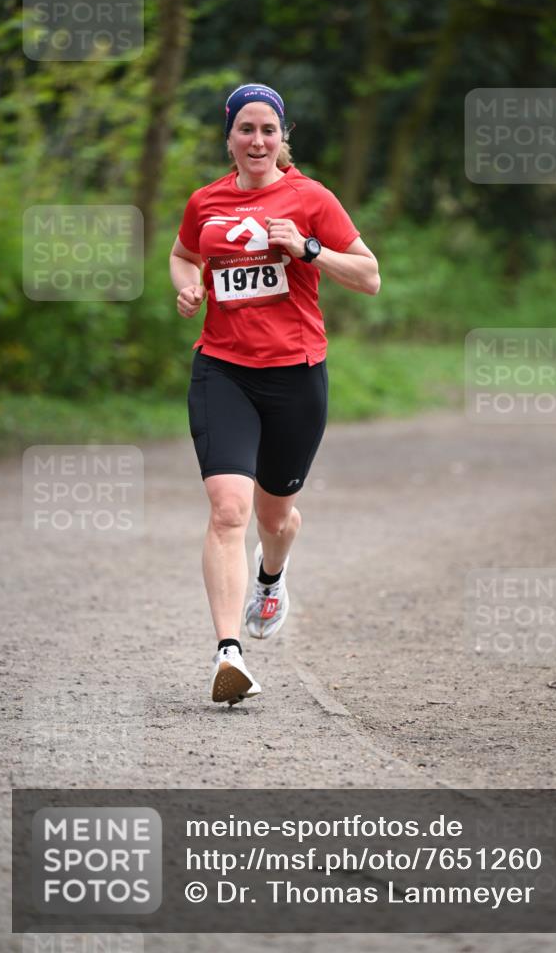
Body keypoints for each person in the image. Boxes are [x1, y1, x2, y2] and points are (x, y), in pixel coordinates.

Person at [170, 83, 380, 706]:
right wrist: (188, 289)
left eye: (268, 130)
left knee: (275, 516)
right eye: (245, 130)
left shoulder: (310, 197)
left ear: (282, 137)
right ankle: (227, 654)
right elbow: (183, 255)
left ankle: (272, 575)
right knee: (228, 510)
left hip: (295, 374)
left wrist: (308, 248)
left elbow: (368, 276)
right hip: (222, 371)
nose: (257, 141)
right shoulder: (205, 201)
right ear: (229, 137)